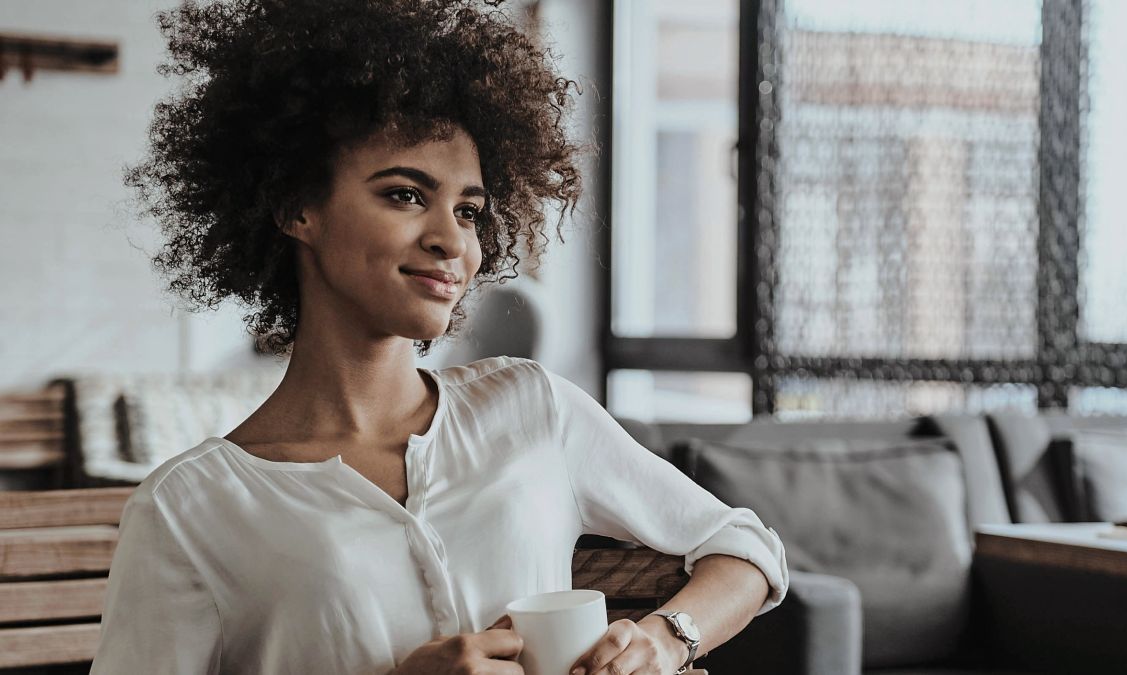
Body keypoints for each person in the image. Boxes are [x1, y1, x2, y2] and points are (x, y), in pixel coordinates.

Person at [91, 1, 789, 673]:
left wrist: (668, 639)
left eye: (469, 210)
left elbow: (744, 545)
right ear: (296, 205)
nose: (451, 241)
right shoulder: (188, 510)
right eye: (404, 194)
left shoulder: (530, 408)